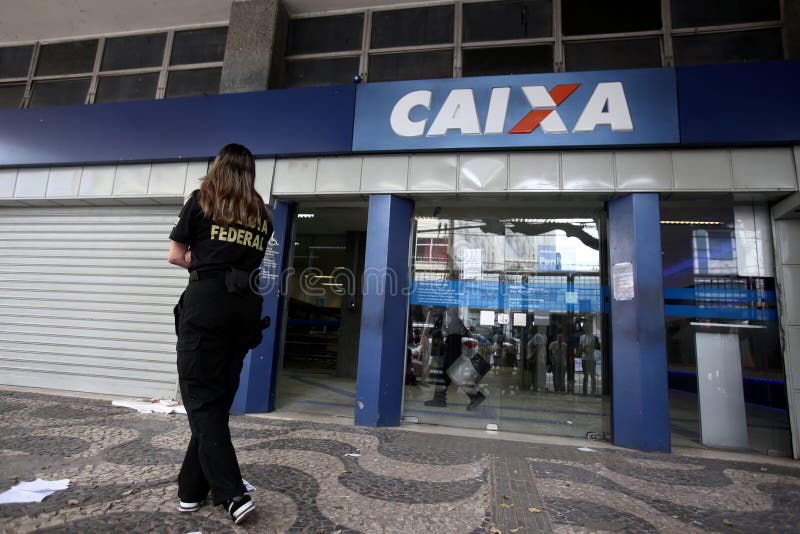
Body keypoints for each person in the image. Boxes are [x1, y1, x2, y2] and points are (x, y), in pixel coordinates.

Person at [168, 143, 272, 525]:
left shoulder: (202, 201)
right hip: (245, 309)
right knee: (214, 401)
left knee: (201, 401)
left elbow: (176, 255)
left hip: (207, 306)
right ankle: (190, 490)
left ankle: (231, 494)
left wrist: (204, 260)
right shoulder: (263, 214)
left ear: (218, 166)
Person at [424, 307, 486, 411]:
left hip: (454, 344)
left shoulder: (454, 315)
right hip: (453, 343)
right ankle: (439, 399)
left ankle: (475, 396)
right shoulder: (453, 318)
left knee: (453, 374)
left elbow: (451, 317)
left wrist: (437, 311)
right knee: (446, 374)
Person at [580, 330, 600, 395]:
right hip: (584, 358)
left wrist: (592, 346)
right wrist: (583, 348)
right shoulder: (582, 337)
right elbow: (580, 348)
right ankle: (584, 391)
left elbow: (598, 347)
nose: (586, 328)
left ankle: (593, 390)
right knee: (585, 376)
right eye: (586, 327)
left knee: (592, 376)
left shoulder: (594, 337)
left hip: (592, 358)